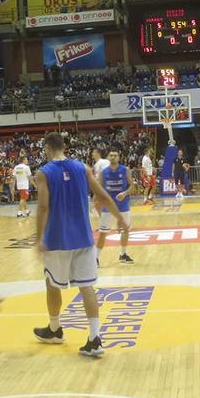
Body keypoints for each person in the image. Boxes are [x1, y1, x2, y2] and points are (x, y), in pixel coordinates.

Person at [33, 133, 126, 356]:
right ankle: (95, 339)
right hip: (83, 239)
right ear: (64, 146)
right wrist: (118, 217)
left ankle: (55, 329)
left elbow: (43, 207)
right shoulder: (83, 168)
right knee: (87, 287)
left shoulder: (43, 173)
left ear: (47, 148)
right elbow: (102, 195)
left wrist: (38, 237)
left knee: (52, 283)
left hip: (57, 239)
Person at [97, 148, 134, 265]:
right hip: (108, 208)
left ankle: (123, 254)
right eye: (111, 155)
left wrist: (125, 193)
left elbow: (132, 186)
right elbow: (99, 190)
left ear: (119, 157)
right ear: (108, 157)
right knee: (103, 232)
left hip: (123, 206)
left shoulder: (125, 170)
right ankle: (95, 258)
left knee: (125, 230)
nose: (113, 157)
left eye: (115, 155)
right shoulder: (103, 172)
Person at [91, 148, 110, 215]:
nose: (92, 154)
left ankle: (104, 217)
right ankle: (103, 217)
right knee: (96, 202)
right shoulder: (96, 164)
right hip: (100, 185)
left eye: (93, 152)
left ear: (97, 153)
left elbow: (106, 173)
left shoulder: (103, 162)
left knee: (97, 202)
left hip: (104, 185)